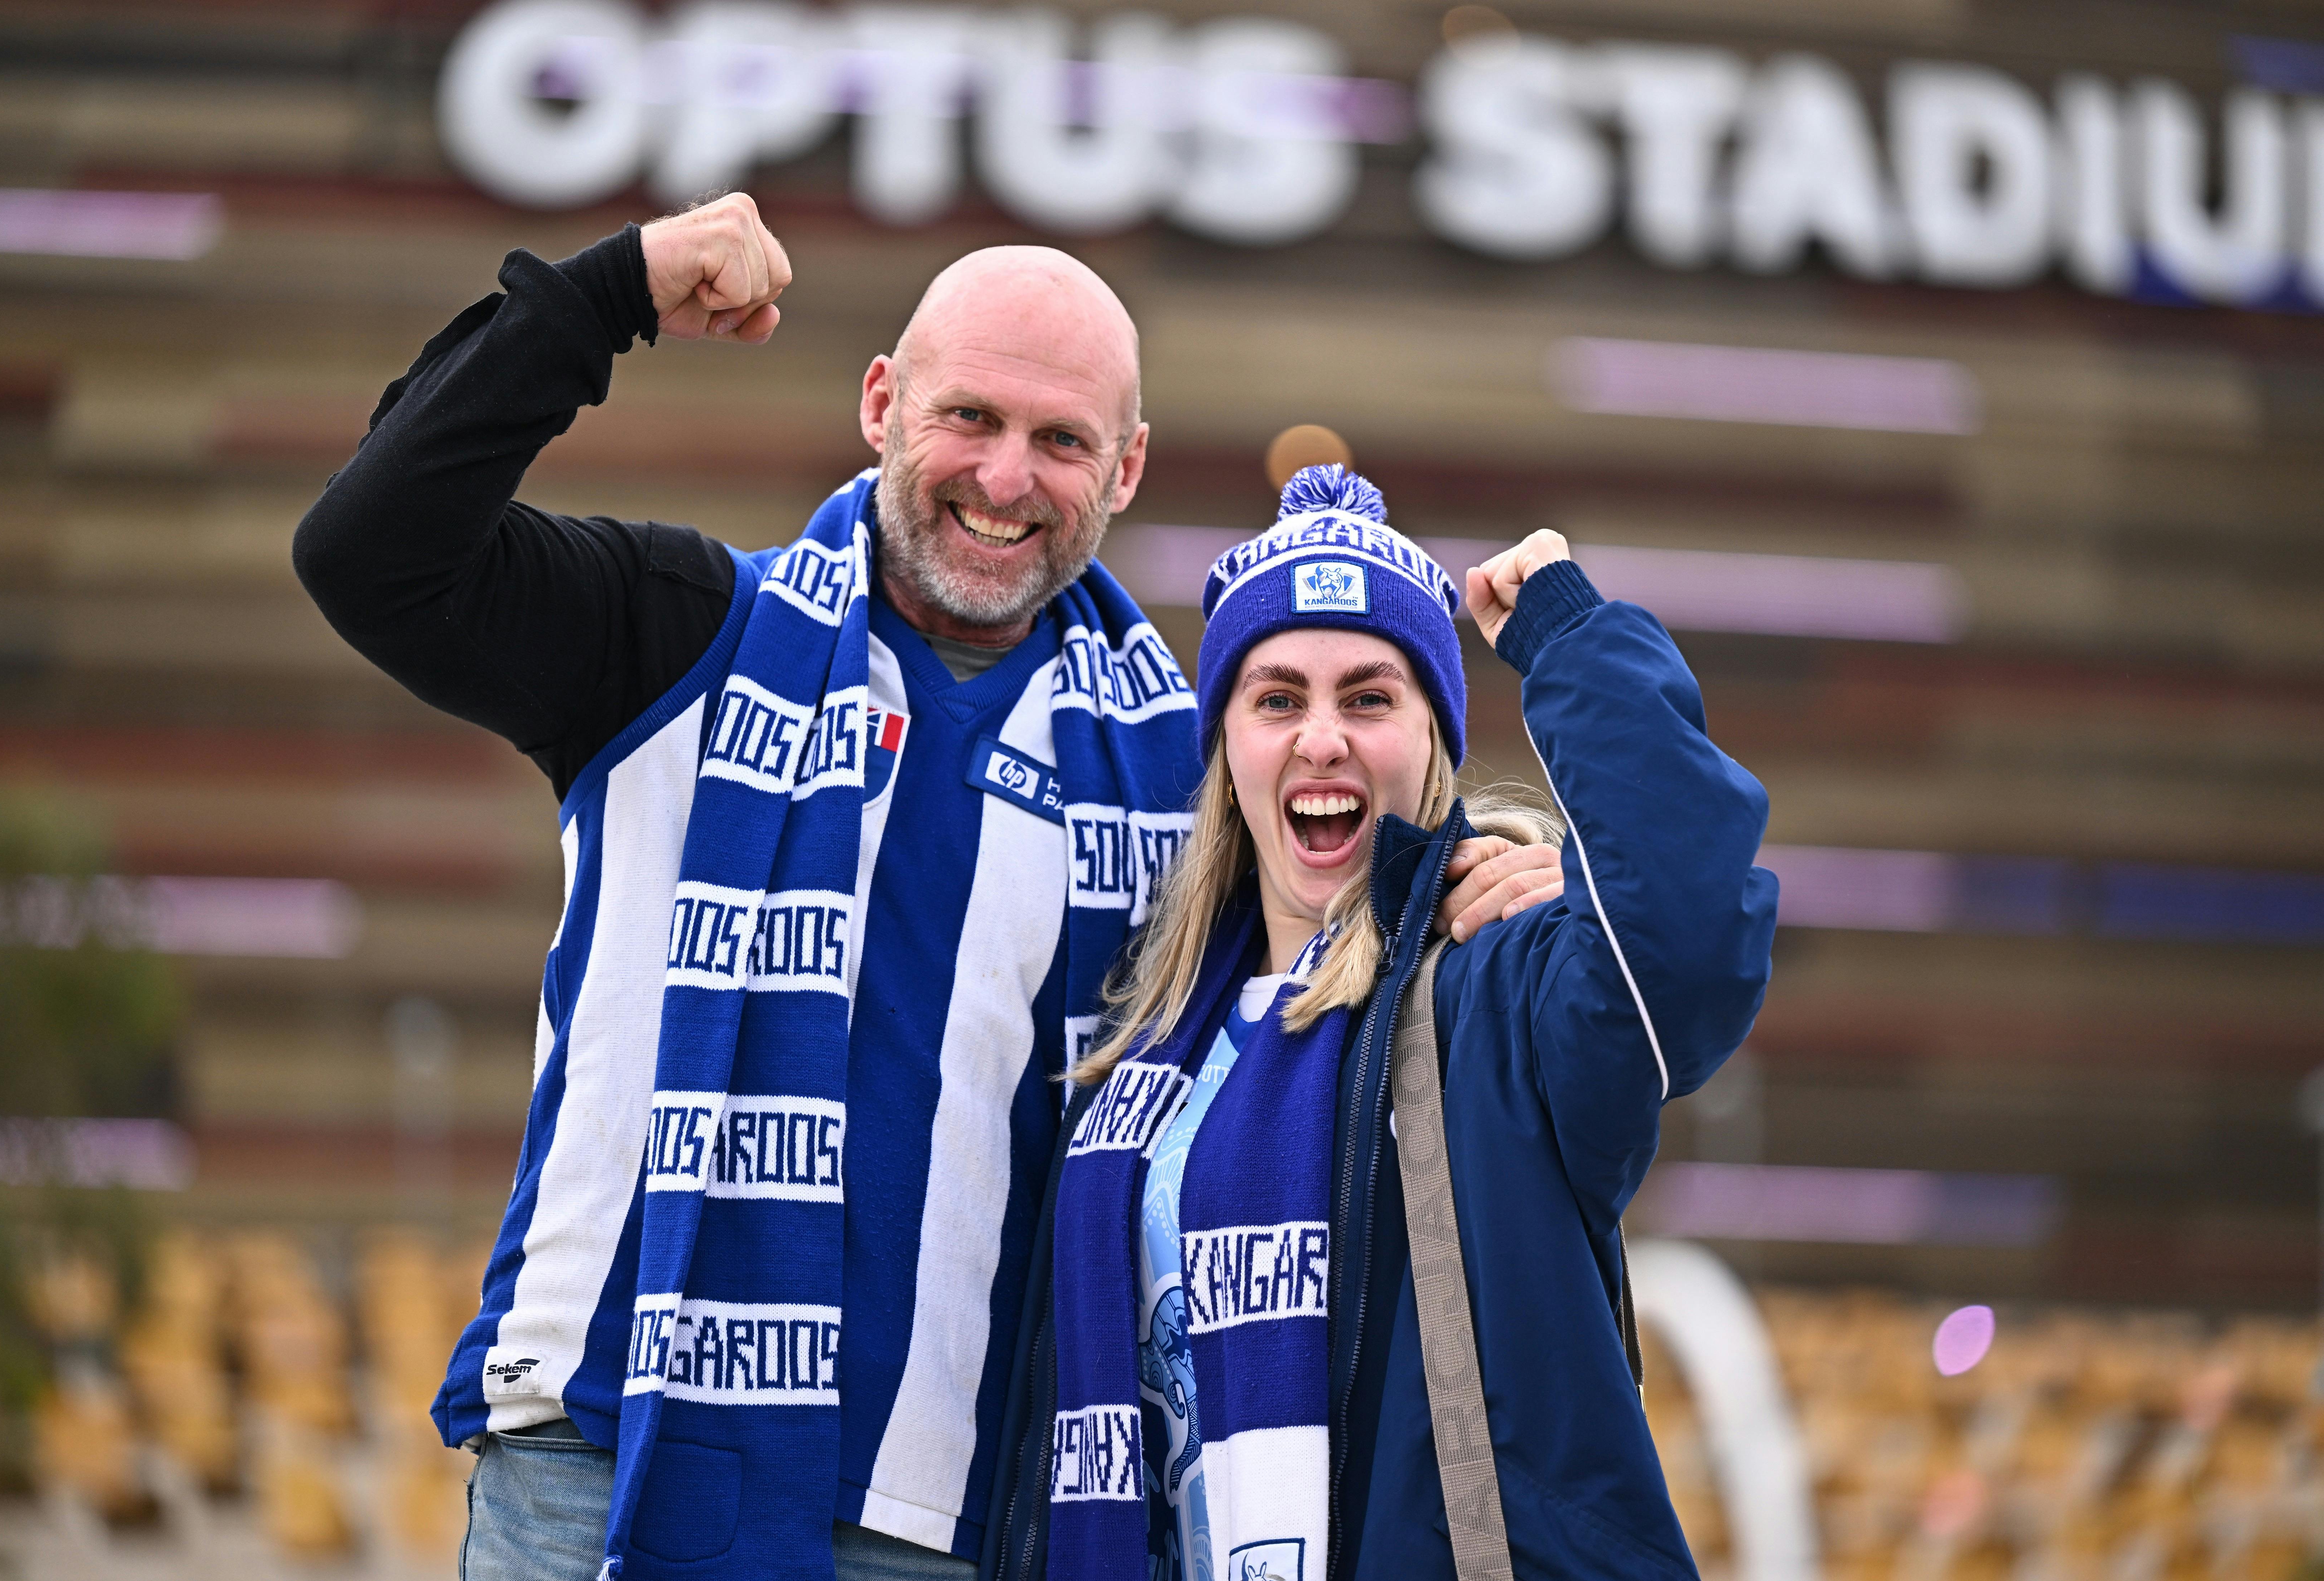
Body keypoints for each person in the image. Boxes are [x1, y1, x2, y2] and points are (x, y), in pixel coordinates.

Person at [290, 195, 1560, 1581]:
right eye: (970, 418)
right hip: (599, 1465)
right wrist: (608, 293)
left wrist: (1470, 888)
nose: (1007, 478)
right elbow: (369, 551)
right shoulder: (675, 639)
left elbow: (1329, 958)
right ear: (881, 402)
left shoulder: (1177, 776)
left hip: (947, 1526)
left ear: (1125, 470)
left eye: (1061, 440)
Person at [981, 466, 1779, 1581]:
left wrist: (1573, 639)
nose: (1320, 740)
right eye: (1276, 699)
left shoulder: (1497, 988)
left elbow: (1689, 937)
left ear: (1431, 742)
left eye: (1368, 697)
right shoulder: (1141, 1046)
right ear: (1226, 755)